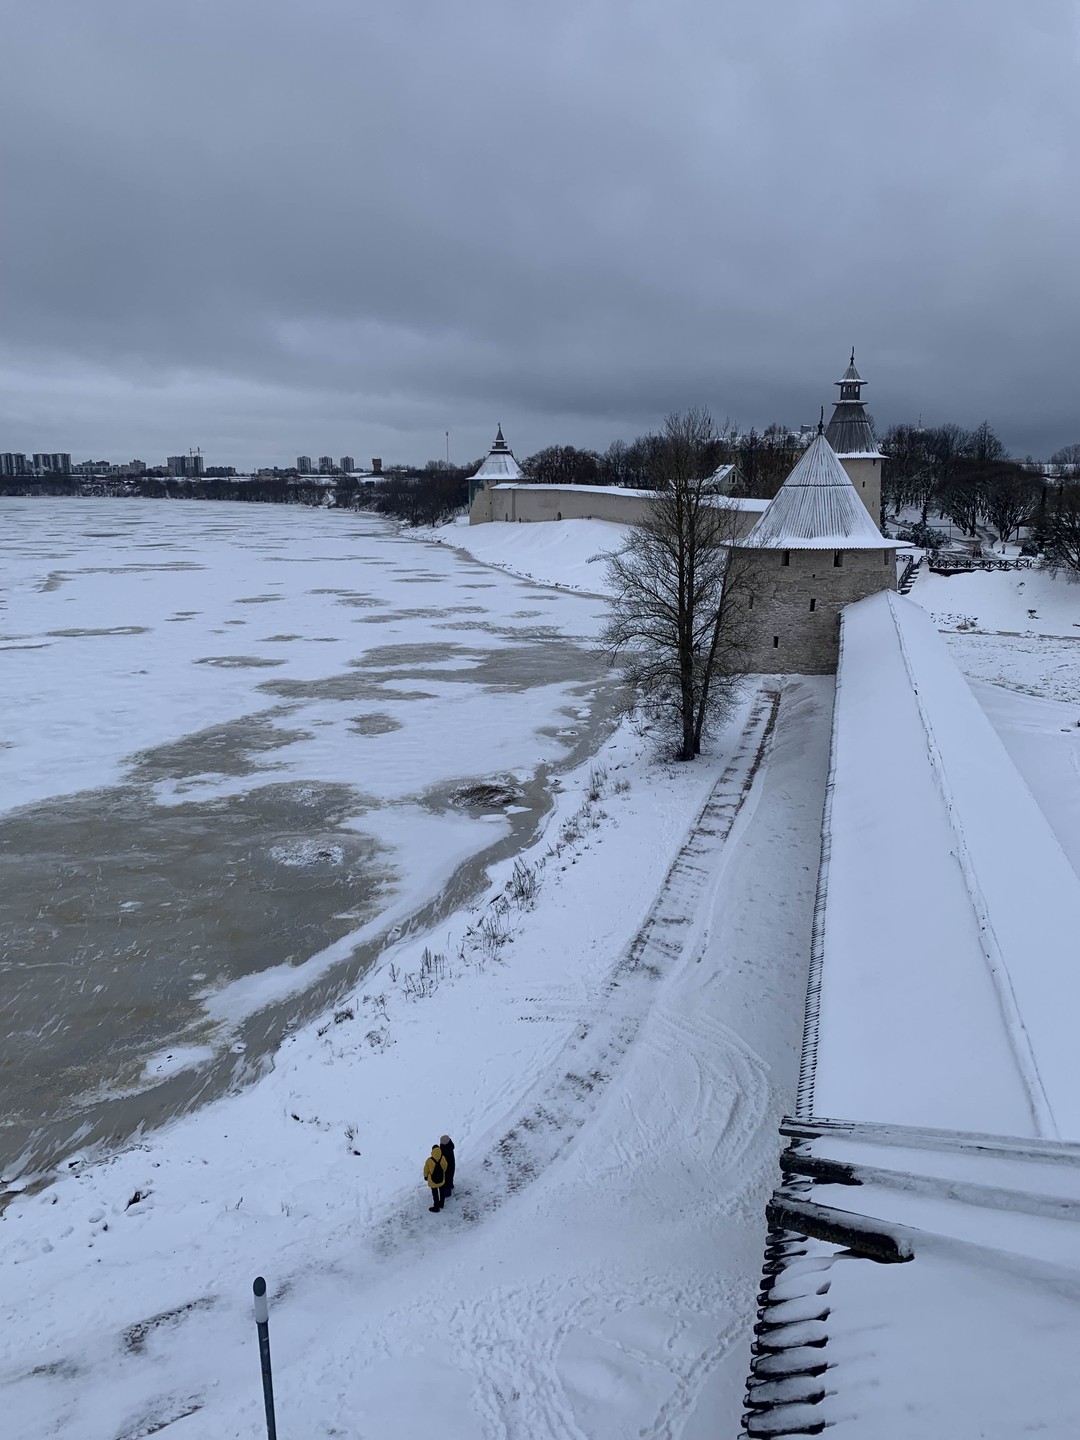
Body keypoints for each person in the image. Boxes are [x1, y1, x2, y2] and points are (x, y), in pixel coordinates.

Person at [423, 1143, 446, 1212]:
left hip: (432, 1181)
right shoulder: (443, 1158)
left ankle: (436, 1206)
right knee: (442, 1191)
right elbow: (445, 1167)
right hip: (441, 1179)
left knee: (435, 1193)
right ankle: (441, 1203)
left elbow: (426, 1169)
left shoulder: (429, 1160)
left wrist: (426, 1177)